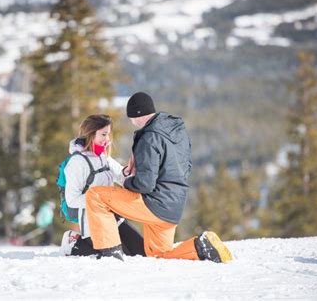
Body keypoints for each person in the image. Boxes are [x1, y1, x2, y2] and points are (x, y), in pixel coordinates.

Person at [85, 92, 233, 262]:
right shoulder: (177, 131)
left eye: (131, 118)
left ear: (136, 115)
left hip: (154, 203)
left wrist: (127, 181)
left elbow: (144, 185)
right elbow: (186, 166)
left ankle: (109, 253)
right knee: (159, 255)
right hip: (173, 206)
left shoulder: (149, 137)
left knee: (96, 196)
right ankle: (201, 246)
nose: (132, 122)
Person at [60, 114, 145, 257]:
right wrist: (99, 200)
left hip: (114, 218)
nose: (107, 139)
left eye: (108, 134)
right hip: (93, 224)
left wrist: (129, 171)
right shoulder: (77, 163)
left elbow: (120, 175)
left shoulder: (103, 157)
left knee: (141, 252)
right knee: (117, 256)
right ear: (90, 134)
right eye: (103, 134)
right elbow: (72, 200)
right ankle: (73, 243)